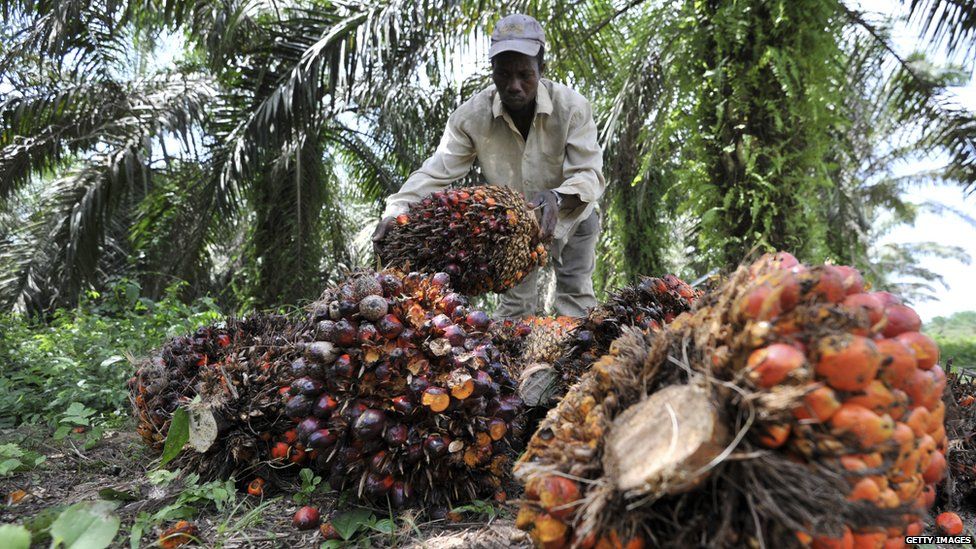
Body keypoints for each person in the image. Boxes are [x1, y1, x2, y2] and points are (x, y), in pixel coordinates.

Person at [371, 14, 606, 319]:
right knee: (513, 313)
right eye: (504, 74)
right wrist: (396, 211)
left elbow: (589, 174)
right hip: (512, 230)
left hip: (574, 216)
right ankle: (518, 366)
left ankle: (573, 366)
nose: (514, 86)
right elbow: (436, 171)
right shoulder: (472, 117)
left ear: (541, 70)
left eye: (525, 75)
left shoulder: (572, 107)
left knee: (576, 300)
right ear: (492, 72)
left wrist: (557, 198)